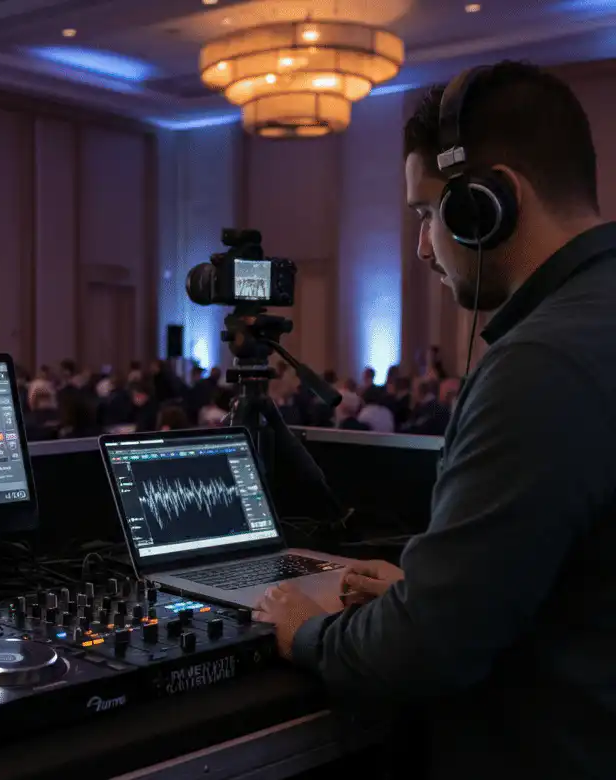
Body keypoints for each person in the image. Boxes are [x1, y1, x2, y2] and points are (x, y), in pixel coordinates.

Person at [252, 61, 616, 779]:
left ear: (489, 203)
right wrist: (433, 592)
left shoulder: (539, 366)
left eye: (427, 213)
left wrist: (310, 631)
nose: (422, 247)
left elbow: (424, 653)